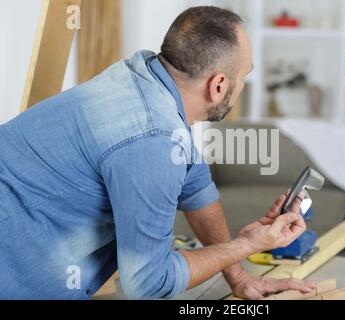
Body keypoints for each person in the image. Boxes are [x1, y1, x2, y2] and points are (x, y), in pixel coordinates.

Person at [0, 6, 314, 299]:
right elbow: (149, 283)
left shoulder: (145, 77)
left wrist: (239, 275)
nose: (243, 85)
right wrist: (247, 245)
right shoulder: (155, 138)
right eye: (243, 76)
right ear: (218, 86)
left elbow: (196, 189)